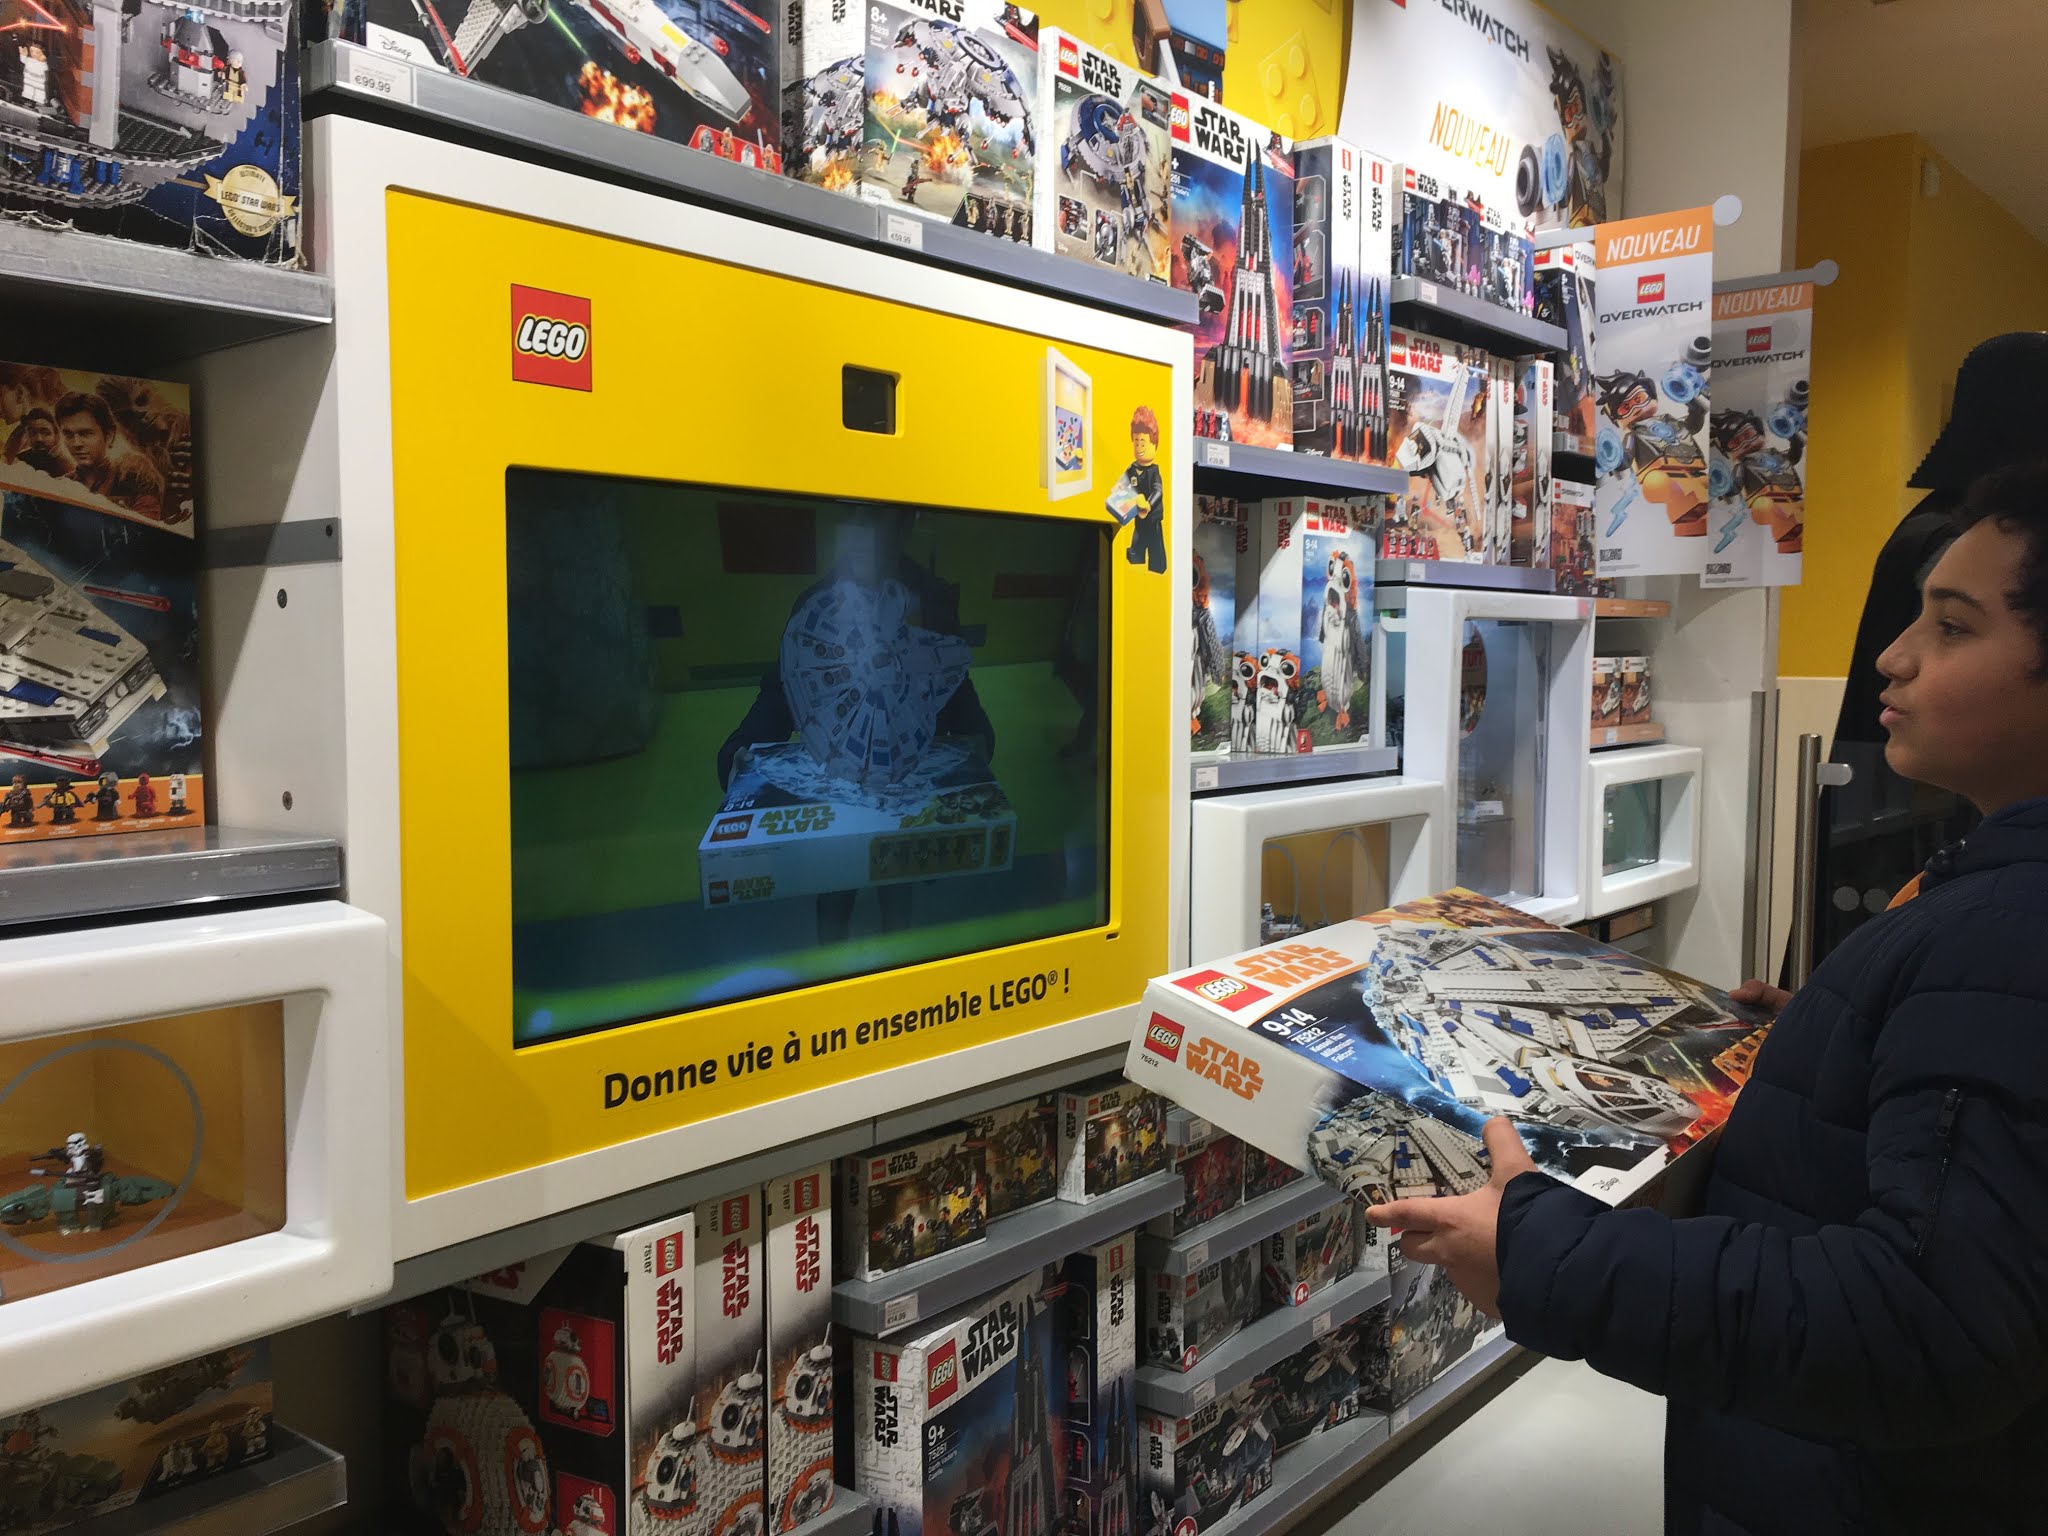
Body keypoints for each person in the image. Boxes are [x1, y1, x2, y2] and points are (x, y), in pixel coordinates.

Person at [1365, 462, 2048, 1534]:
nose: (1894, 654)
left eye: (1953, 628)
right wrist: (1818, 1046)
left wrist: (1543, 1253)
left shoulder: (2007, 931)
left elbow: (1926, 1325)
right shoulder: (1990, 895)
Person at [55, 391, 162, 519]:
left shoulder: (135, 480)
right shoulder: (59, 485)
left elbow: (145, 525)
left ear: (109, 435)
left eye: (86, 433)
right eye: (68, 435)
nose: (76, 443)